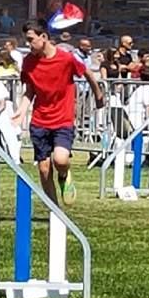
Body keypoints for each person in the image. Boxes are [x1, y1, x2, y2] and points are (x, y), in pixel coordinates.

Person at [12, 18, 104, 205]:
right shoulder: (28, 62)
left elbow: (87, 73)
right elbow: (29, 91)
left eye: (31, 40)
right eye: (26, 40)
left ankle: (64, 176)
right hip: (39, 120)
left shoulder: (66, 58)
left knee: (60, 160)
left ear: (44, 37)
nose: (27, 44)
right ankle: (55, 211)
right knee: (44, 170)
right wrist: (22, 110)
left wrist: (98, 94)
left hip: (63, 119)